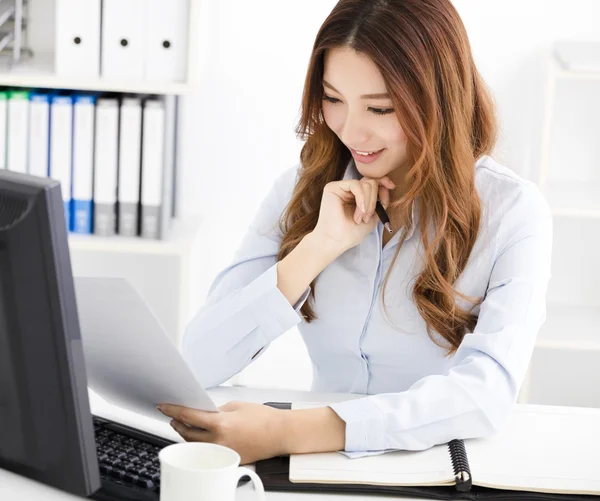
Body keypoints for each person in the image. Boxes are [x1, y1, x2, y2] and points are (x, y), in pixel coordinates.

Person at [157, 0, 553, 465]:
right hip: (317, 468)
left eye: (381, 108)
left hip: (432, 468)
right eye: (332, 99)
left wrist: (287, 432)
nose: (352, 131)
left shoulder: (513, 212)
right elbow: (200, 358)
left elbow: (485, 393)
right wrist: (318, 247)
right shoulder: (301, 190)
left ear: (441, 100)